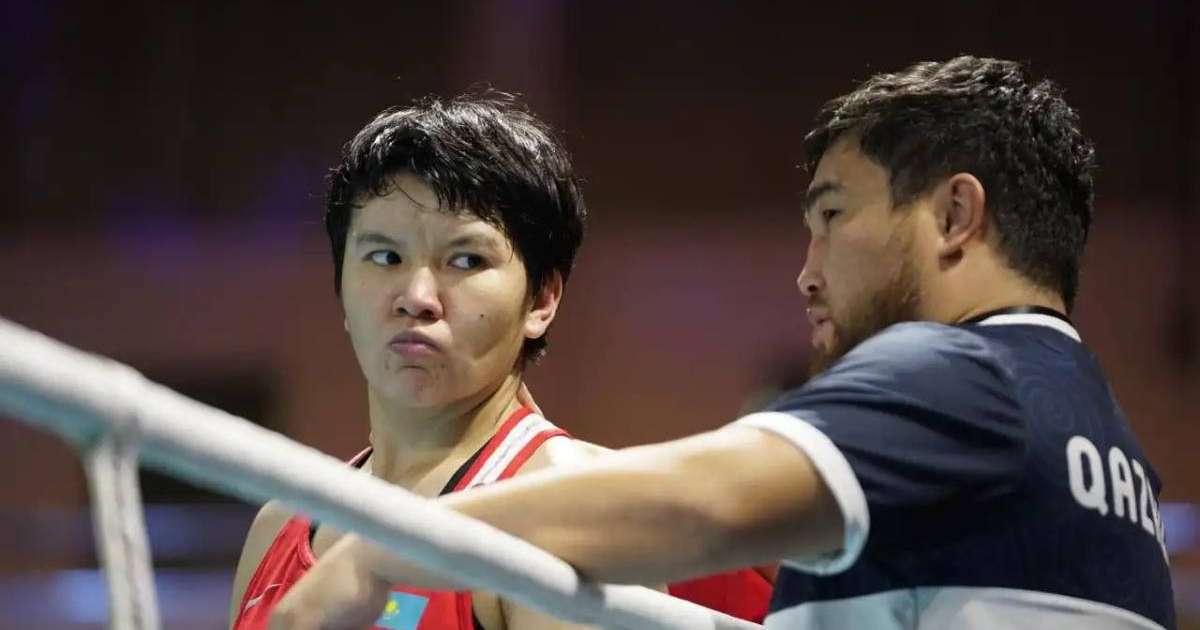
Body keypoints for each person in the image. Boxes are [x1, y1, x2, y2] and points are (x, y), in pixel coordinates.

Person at [270, 56, 1177, 630]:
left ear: (953, 215)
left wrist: (384, 555)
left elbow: (694, 506)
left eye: (831, 217)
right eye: (382, 255)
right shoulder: (1102, 439)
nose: (807, 271)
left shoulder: (963, 380)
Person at [228, 93, 773, 630]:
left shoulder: (570, 509)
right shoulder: (276, 529)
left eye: (466, 259)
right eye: (384, 256)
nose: (416, 295)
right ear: (340, 288)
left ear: (541, 300)